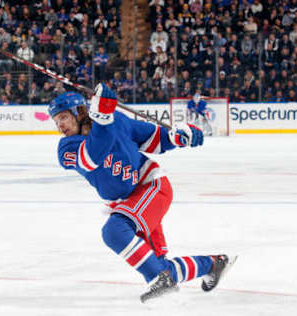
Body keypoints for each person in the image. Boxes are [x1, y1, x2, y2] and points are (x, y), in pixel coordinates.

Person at [49, 83, 236, 302]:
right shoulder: (67, 148)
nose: (59, 125)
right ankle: (213, 264)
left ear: (79, 112)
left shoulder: (115, 120)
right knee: (160, 266)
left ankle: (159, 277)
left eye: (63, 117)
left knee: (115, 231)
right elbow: (92, 156)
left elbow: (154, 139)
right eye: (56, 121)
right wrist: (102, 118)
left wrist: (177, 137)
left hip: (151, 186)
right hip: (130, 202)